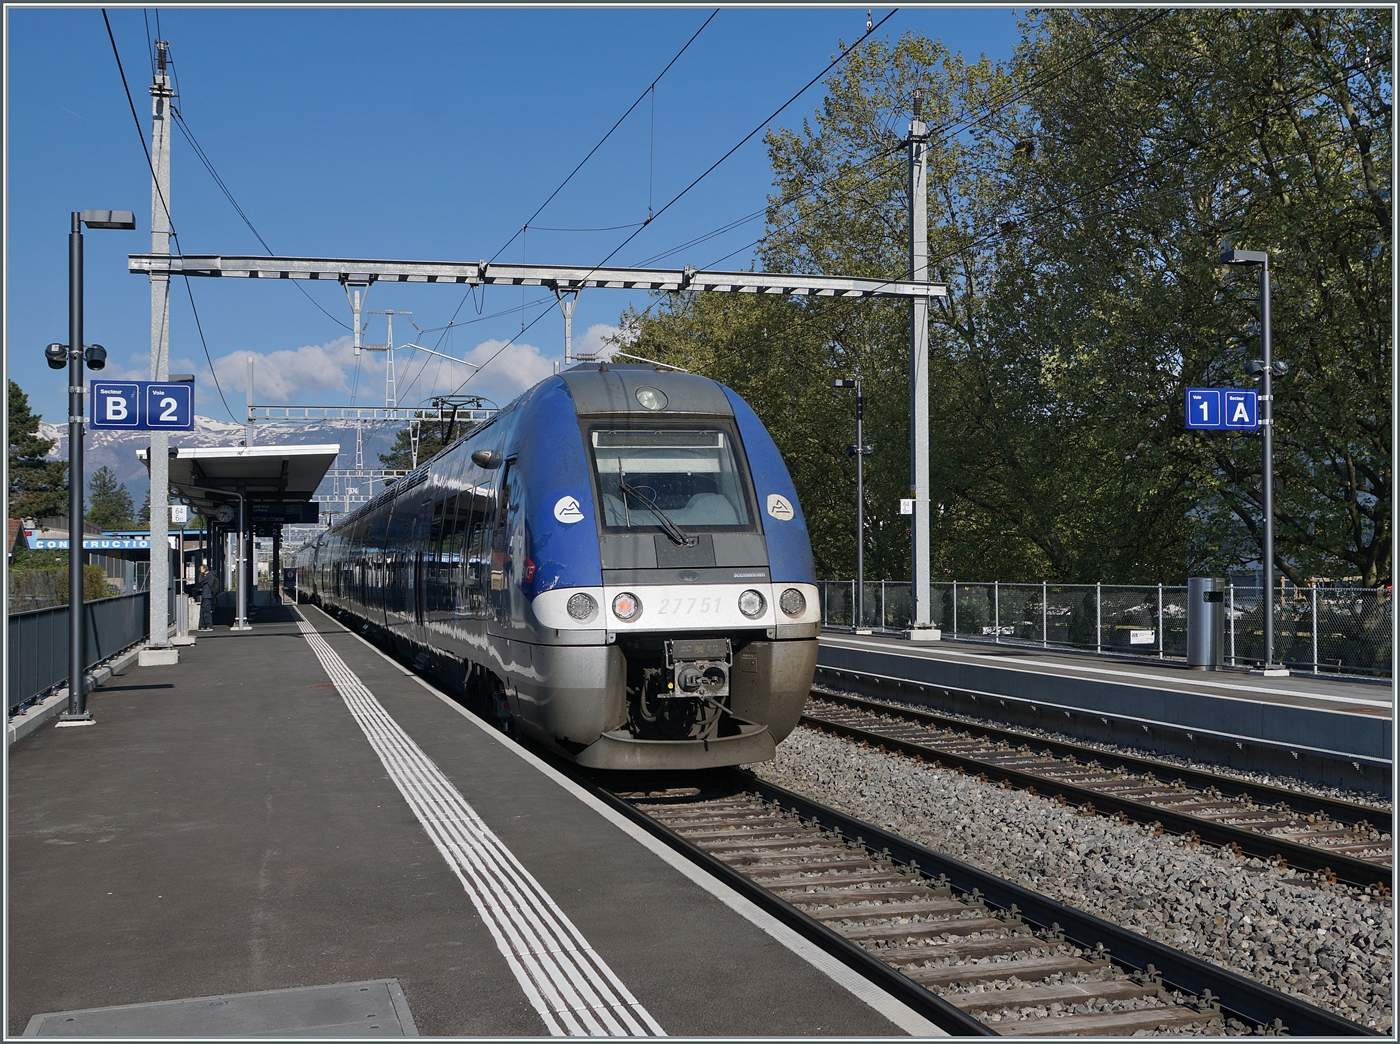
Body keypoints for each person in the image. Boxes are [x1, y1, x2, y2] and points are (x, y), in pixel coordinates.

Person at [194, 564, 219, 630]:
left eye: (201, 569)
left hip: (207, 596)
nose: (200, 571)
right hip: (205, 596)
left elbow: (200, 580)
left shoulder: (209, 576)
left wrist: (201, 573)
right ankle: (202, 625)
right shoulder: (208, 576)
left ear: (205, 569)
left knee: (206, 611)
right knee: (202, 611)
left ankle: (208, 625)